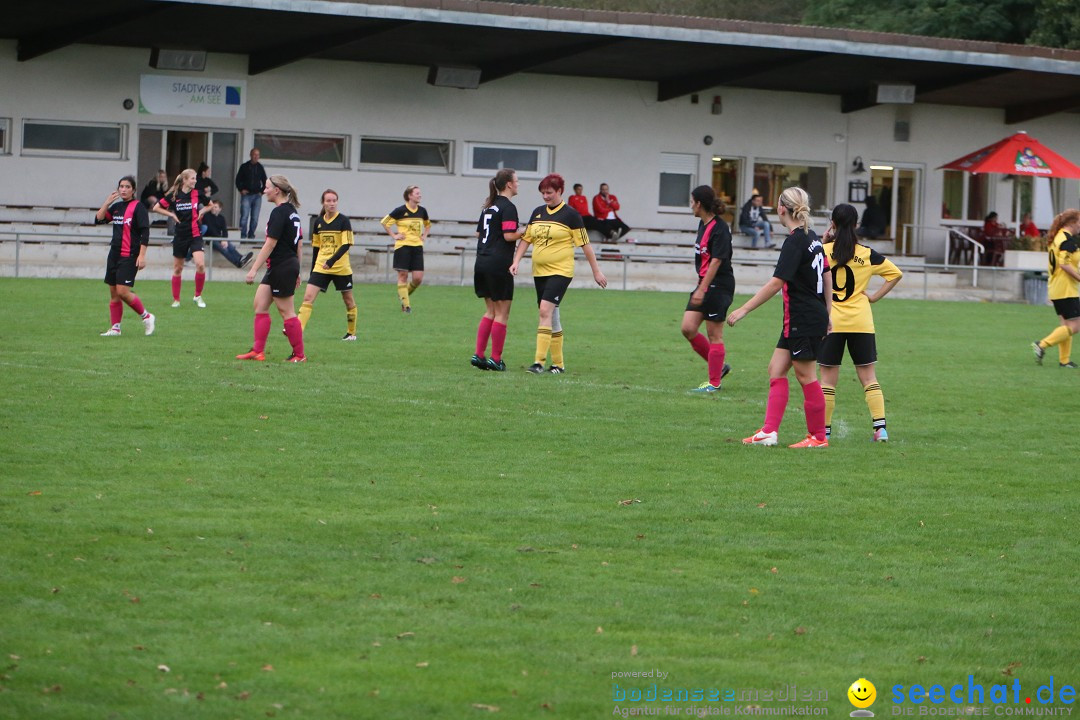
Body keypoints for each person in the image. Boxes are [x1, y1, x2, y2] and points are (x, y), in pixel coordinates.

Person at [726, 186, 831, 448]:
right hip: (803, 317)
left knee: (806, 376)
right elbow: (827, 276)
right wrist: (827, 312)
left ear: (781, 208)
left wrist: (743, 309)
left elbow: (776, 284)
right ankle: (769, 432)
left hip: (803, 318)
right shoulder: (813, 237)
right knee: (776, 369)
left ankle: (818, 437)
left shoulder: (796, 240)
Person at [819, 203, 903, 443]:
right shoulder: (866, 253)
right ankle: (881, 429)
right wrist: (874, 297)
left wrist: (824, 240)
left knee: (827, 380)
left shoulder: (823, 251)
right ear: (856, 225)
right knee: (868, 377)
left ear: (832, 224)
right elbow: (895, 273)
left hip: (831, 322)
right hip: (861, 322)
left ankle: (824, 431)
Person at [510, 173, 607, 374]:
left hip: (561, 272)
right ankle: (559, 364)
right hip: (539, 272)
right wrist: (516, 261)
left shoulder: (571, 215)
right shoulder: (537, 212)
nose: (545, 196)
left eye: (549, 193)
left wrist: (596, 271)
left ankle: (538, 362)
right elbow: (526, 239)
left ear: (560, 191)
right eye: (543, 193)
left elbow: (585, 245)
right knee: (551, 315)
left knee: (545, 310)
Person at [236, 175, 306, 363]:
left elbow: (270, 244)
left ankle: (299, 355)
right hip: (281, 266)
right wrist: (297, 270)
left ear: (277, 190)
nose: (264, 191)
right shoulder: (292, 211)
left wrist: (253, 269)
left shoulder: (280, 212)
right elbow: (299, 245)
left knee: (287, 311)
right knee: (260, 305)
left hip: (282, 266)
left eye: (267, 187)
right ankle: (257, 351)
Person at [680, 185, 734, 393]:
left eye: (692, 201)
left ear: (699, 203)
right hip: (704, 284)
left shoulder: (720, 228)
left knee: (714, 334)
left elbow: (716, 261)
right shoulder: (703, 225)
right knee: (688, 328)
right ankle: (720, 367)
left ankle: (714, 383)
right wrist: (701, 286)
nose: (691, 206)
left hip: (718, 285)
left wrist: (702, 288)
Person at [471, 168, 523, 372]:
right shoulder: (508, 207)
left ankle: (479, 354)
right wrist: (526, 232)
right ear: (509, 184)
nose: (518, 184)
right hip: (498, 264)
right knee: (503, 313)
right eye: (516, 181)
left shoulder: (488, 207)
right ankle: (495, 358)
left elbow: (478, 233)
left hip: (481, 261)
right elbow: (509, 235)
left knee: (490, 311)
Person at [94, 175, 156, 337]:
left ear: (133, 190)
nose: (123, 189)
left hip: (129, 255)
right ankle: (115, 328)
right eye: (121, 186)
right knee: (114, 293)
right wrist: (107, 202)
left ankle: (147, 316)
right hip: (114, 254)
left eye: (127, 187)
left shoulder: (138, 207)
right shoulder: (116, 207)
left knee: (123, 291)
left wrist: (142, 256)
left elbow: (145, 232)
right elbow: (98, 219)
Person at [298, 189, 358, 341]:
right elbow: (316, 248)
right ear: (323, 203)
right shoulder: (318, 222)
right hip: (321, 266)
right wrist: (313, 270)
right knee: (308, 297)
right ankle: (297, 331)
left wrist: (331, 261)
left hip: (341, 267)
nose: (332, 204)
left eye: (334, 201)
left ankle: (351, 333)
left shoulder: (343, 221)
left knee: (348, 300)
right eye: (328, 201)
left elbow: (346, 245)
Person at [152, 168, 211, 308]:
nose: (195, 181)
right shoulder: (174, 195)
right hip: (180, 235)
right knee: (178, 268)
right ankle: (176, 300)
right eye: (193, 178)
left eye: (196, 178)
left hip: (195, 234)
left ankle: (198, 296)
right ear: (184, 180)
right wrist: (171, 215)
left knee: (200, 264)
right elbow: (156, 207)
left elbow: (210, 205)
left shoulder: (198, 193)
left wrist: (201, 211)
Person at [1032, 209, 1080, 369]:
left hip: (1056, 287)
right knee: (1075, 326)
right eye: (1079, 221)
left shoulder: (1058, 237)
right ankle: (1042, 344)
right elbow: (1064, 264)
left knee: (1066, 325)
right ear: (1072, 223)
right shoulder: (1068, 241)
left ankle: (1064, 360)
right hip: (1066, 288)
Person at [381, 185, 430, 314]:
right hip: (403, 247)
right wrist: (394, 235)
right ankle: (406, 306)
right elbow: (385, 222)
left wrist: (424, 236)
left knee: (418, 278)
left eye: (420, 193)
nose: (420, 195)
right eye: (417, 193)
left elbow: (428, 225)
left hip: (417, 247)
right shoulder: (400, 211)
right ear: (410, 196)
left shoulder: (422, 211)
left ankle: (403, 294)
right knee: (403, 275)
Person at [202, 199, 253, 269]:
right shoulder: (207, 216)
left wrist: (224, 240)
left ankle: (241, 258)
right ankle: (238, 263)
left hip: (219, 239)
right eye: (213, 206)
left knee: (231, 246)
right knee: (224, 249)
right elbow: (211, 230)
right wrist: (221, 240)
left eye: (215, 207)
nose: (213, 208)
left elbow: (225, 231)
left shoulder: (221, 218)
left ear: (220, 209)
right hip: (210, 239)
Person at [235, 148, 268, 239]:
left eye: (258, 155)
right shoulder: (244, 166)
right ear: (250, 155)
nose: (256, 156)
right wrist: (241, 189)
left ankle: (251, 235)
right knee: (244, 217)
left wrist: (262, 192)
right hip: (246, 195)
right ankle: (242, 236)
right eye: (254, 154)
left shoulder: (260, 167)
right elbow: (238, 180)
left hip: (257, 196)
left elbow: (265, 181)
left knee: (255, 218)